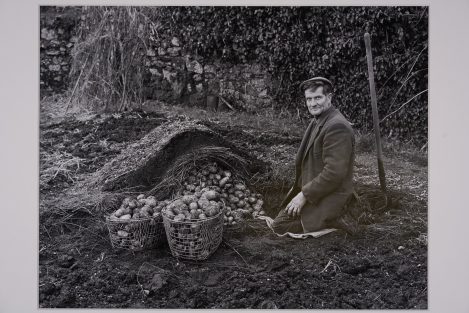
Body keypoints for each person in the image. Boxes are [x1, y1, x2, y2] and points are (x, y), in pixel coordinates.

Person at [271, 77, 358, 235]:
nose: (312, 104)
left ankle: (337, 218)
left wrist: (304, 195)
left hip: (331, 196)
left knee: (279, 227)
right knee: (279, 222)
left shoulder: (337, 127)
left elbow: (334, 173)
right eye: (308, 99)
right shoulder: (319, 120)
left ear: (329, 97)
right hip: (317, 191)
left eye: (318, 98)